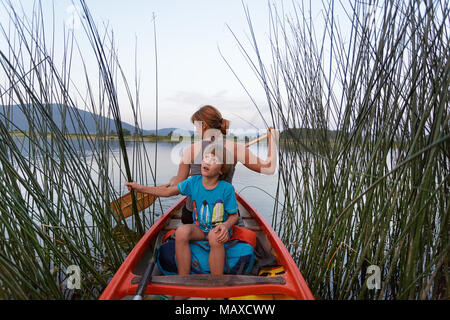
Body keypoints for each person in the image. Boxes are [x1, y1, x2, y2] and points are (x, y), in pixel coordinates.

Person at [125, 145, 239, 277]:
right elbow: (167, 192)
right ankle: (183, 277)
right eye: (206, 157)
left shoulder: (227, 189)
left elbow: (234, 216)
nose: (207, 161)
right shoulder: (193, 182)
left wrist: (225, 226)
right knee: (181, 232)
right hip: (201, 229)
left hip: (219, 231)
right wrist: (139, 188)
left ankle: (216, 282)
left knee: (214, 236)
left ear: (221, 170)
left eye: (214, 160)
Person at [169, 105, 279, 224]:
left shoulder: (189, 151)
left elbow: (178, 187)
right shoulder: (235, 148)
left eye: (196, 126)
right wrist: (272, 140)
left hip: (193, 215)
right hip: (224, 214)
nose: (196, 130)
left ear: (204, 125)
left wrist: (173, 180)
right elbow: (269, 168)